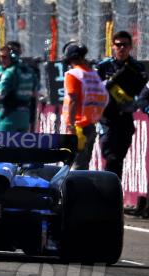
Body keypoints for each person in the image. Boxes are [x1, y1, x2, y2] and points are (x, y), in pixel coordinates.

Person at [95, 30, 147, 178]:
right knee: (110, 156)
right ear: (113, 46)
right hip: (107, 119)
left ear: (131, 47)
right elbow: (94, 88)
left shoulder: (137, 67)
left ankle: (115, 191)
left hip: (125, 118)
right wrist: (109, 82)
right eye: (118, 45)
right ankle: (108, 192)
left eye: (125, 45)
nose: (121, 48)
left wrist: (135, 103)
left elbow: (144, 91)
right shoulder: (104, 67)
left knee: (119, 159)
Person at [60, 42, 109, 170]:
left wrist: (70, 126)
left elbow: (73, 100)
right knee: (83, 164)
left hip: (77, 126)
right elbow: (104, 98)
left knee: (72, 165)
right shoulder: (93, 74)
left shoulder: (73, 74)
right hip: (90, 126)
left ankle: (72, 190)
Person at [0, 46, 33, 132]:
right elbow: (35, 93)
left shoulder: (9, 73)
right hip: (25, 116)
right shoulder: (29, 71)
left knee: (1, 143)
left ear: (12, 57)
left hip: (8, 116)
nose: (2, 60)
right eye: (1, 57)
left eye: (4, 57)